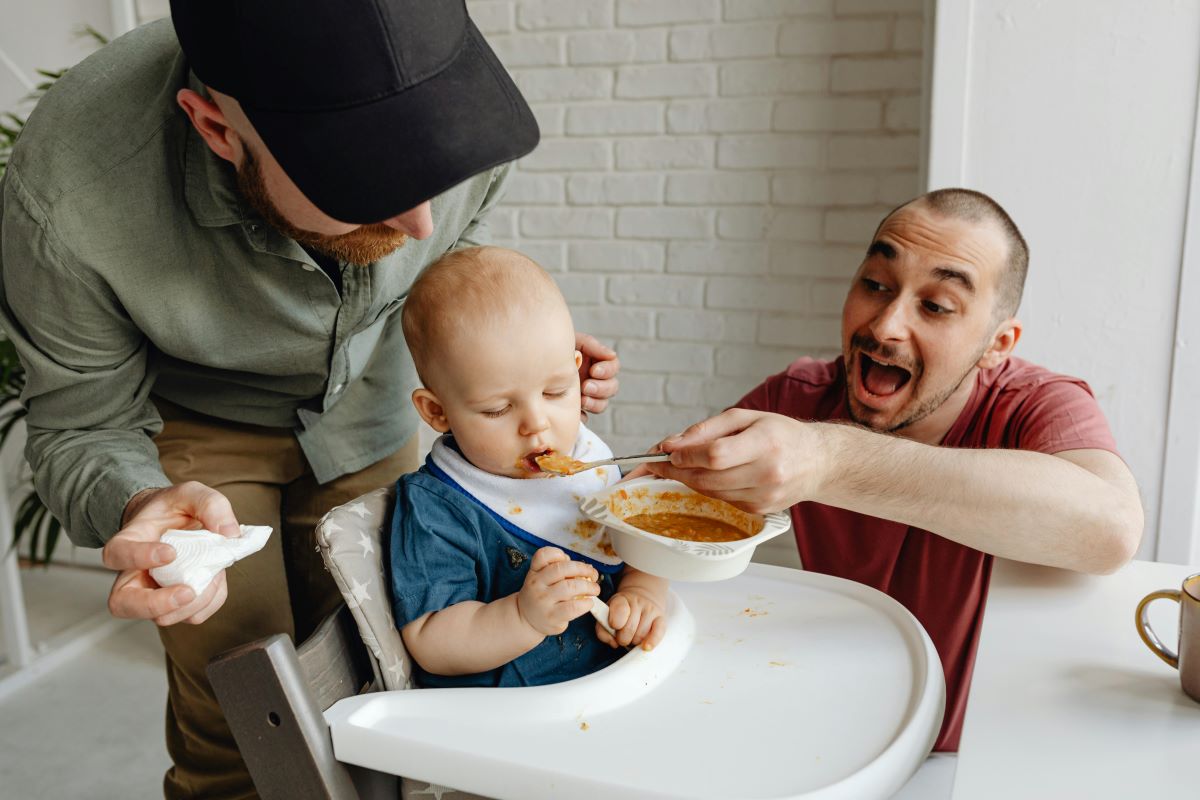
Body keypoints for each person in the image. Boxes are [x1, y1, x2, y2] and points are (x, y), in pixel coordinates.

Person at [0, 3, 619, 797]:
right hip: (195, 432)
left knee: (376, 678)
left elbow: (452, 260)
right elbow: (81, 422)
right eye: (362, 186)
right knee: (243, 715)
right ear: (217, 130)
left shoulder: (450, 105)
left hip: (372, 400)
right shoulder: (69, 196)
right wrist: (139, 503)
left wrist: (511, 372)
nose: (421, 222)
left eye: (429, 174)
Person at [644, 188, 1144, 751]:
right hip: (839, 730)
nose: (885, 327)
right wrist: (553, 406)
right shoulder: (798, 395)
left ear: (997, 344)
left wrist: (830, 459)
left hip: (981, 758)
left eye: (935, 306)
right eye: (876, 286)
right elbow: (651, 504)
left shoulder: (1037, 405)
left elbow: (1112, 529)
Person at [389, 246, 668, 687]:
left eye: (556, 392)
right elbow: (430, 641)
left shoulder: (590, 462)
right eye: (498, 409)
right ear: (437, 412)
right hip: (505, 716)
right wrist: (522, 616)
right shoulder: (436, 507)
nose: (536, 424)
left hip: (610, 687)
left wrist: (641, 594)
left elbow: (639, 549)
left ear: (577, 372)